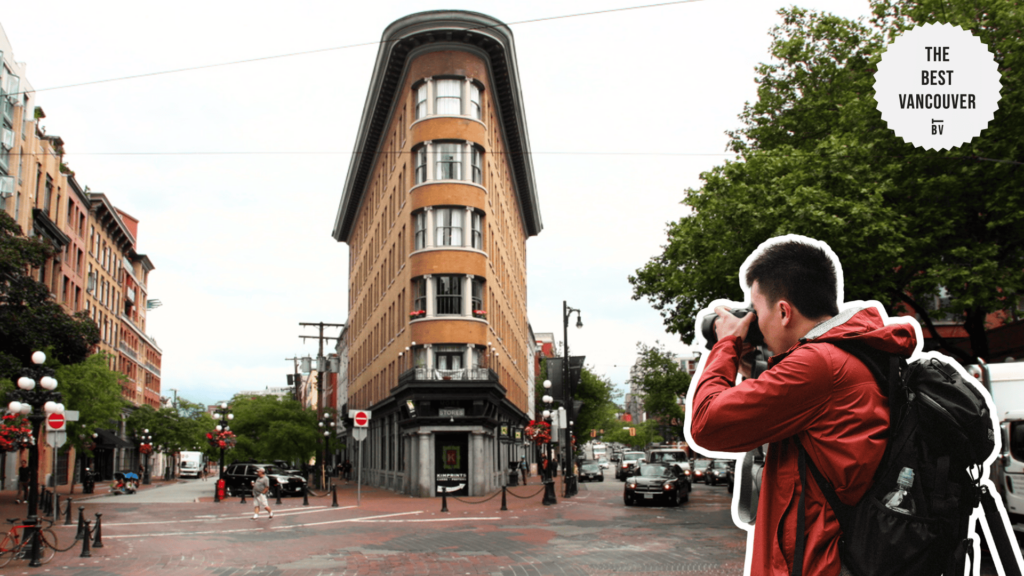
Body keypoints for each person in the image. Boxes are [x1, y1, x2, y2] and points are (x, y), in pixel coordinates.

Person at [690, 239, 915, 576]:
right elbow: (798, 403)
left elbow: (707, 422)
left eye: (756, 308)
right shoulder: (850, 354)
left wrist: (726, 343)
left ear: (783, 311)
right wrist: (750, 368)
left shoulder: (818, 364)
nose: (755, 320)